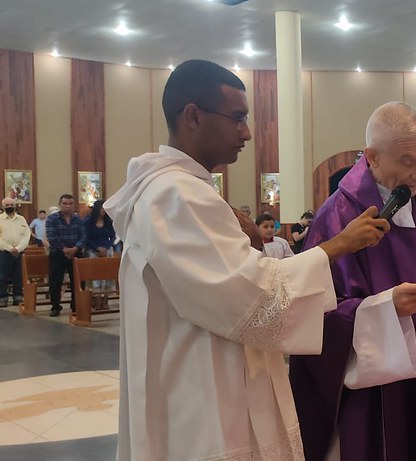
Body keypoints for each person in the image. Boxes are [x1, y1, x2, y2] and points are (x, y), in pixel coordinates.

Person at [103, 59, 388, 461]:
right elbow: (248, 296)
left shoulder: (181, 190)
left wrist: (252, 242)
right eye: (236, 118)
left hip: (205, 375)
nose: (247, 132)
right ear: (193, 116)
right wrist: (337, 245)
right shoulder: (177, 195)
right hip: (207, 394)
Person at [289, 102, 416, 461]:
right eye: (407, 161)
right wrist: (384, 308)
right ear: (372, 157)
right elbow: (316, 313)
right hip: (380, 387)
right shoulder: (337, 219)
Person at [46, 194, 85, 317]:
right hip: (58, 253)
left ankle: (76, 306)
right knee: (55, 281)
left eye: (70, 204)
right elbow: (52, 237)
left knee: (78, 281)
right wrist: (64, 249)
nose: (67, 206)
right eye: (65, 203)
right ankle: (55, 306)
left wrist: (75, 248)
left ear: (73, 205)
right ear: (60, 204)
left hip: (76, 252)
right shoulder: (52, 219)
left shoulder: (78, 219)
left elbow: (83, 236)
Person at [0, 198, 30, 307]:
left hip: (19, 252)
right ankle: (2, 298)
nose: (9, 206)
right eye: (7, 205)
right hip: (4, 252)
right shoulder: (0, 219)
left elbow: (26, 235)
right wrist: (9, 248)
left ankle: (18, 297)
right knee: (2, 276)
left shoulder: (21, 219)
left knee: (19, 275)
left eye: (11, 204)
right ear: (3, 206)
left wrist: (18, 248)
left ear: (15, 206)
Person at [83, 199, 117, 291]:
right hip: (93, 251)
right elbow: (86, 238)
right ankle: (95, 298)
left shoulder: (109, 223)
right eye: (101, 208)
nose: (103, 210)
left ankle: (105, 298)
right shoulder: (88, 222)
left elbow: (113, 236)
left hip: (107, 250)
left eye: (104, 208)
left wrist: (107, 247)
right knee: (95, 274)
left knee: (107, 274)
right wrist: (96, 248)